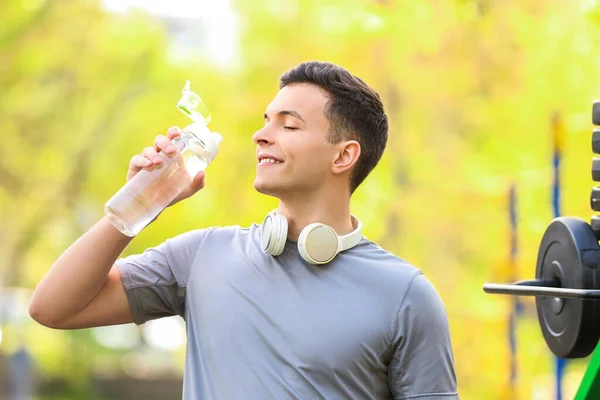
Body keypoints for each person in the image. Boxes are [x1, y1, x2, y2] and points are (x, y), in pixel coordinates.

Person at [29, 61, 459, 399]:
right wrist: (139, 204)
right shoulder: (201, 257)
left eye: (288, 125)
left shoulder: (405, 296)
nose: (260, 135)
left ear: (344, 156)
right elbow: (52, 308)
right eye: (266, 121)